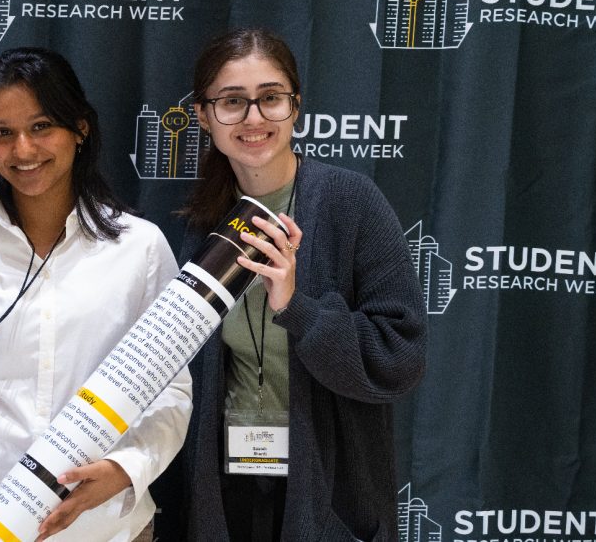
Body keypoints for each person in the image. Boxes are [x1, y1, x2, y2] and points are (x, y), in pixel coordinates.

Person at [0, 47, 192, 542]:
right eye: (2, 132)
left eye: (41, 126)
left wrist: (125, 469)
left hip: (99, 526)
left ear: (79, 129)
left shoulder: (141, 248)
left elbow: (170, 391)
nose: (22, 150)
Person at [177, 29, 427, 541]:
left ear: (296, 108)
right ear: (203, 116)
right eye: (232, 102)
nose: (253, 118)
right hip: (224, 490)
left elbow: (399, 359)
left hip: (327, 492)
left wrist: (298, 307)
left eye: (270, 98)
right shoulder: (198, 225)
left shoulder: (349, 202)